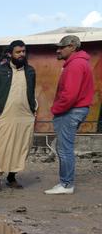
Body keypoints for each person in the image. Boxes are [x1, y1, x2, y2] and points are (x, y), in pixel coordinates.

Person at [0, 40, 37, 190]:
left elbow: (31, 92)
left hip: (24, 116)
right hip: (3, 116)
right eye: (18, 52)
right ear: (9, 54)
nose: (21, 54)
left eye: (23, 52)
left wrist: (33, 111)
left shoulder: (30, 71)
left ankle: (12, 177)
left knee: (20, 147)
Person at [45, 35, 95, 194]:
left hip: (71, 111)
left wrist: (55, 109)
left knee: (65, 148)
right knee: (65, 147)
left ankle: (66, 185)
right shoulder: (79, 63)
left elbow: (69, 95)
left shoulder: (75, 65)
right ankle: (66, 183)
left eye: (62, 47)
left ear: (72, 47)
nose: (58, 50)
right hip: (76, 109)